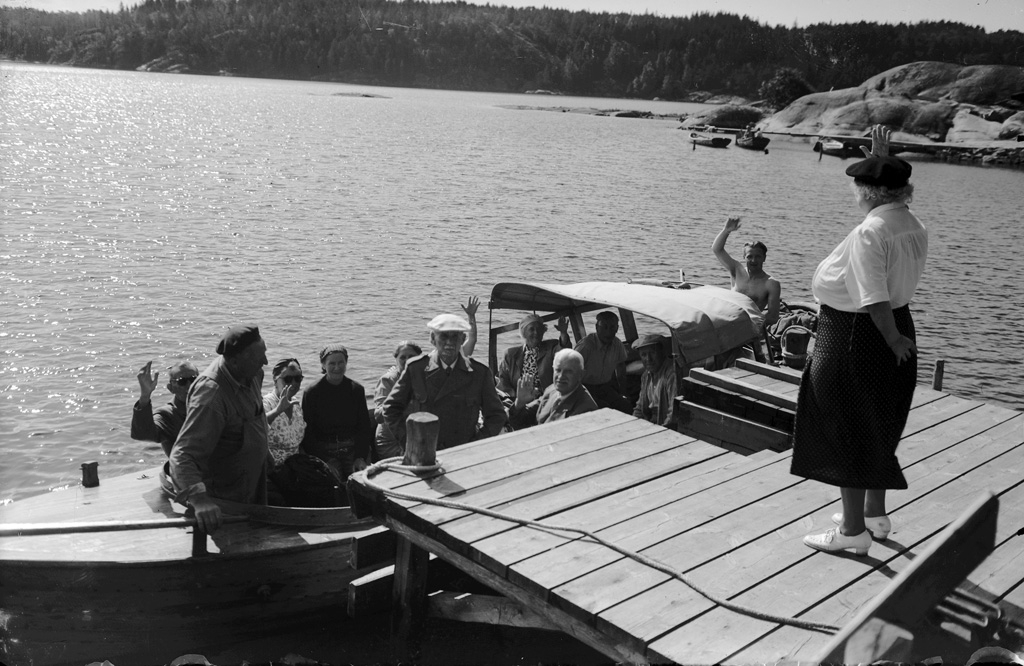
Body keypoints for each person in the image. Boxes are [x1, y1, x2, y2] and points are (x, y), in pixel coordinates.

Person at [792, 124, 928, 556]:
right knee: (877, 422)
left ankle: (852, 533)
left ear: (869, 192)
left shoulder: (871, 231)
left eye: (859, 185)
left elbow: (873, 297)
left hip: (857, 333)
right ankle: (874, 515)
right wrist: (881, 160)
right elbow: (885, 290)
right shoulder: (911, 223)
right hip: (894, 325)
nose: (854, 192)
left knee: (845, 425)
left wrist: (891, 339)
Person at [167, 325, 270, 533]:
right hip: (225, 499)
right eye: (259, 357)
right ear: (235, 361)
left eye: (264, 353)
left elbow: (253, 417)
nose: (265, 361)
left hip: (254, 485)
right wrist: (199, 500)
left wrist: (264, 453)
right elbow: (182, 455)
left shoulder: (253, 372)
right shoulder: (211, 395)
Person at [383, 313, 506, 450]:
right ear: (432, 339)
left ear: (463, 339)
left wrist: (476, 443)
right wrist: (410, 441)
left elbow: (496, 415)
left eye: (455, 337)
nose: (449, 342)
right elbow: (391, 409)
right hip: (425, 452)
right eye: (444, 336)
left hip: (465, 452)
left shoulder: (479, 372)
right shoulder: (416, 369)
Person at [300, 344, 373, 483]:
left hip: (352, 449)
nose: (337, 367)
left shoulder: (356, 390)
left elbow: (364, 427)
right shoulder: (312, 392)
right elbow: (308, 433)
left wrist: (360, 457)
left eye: (341, 363)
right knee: (332, 483)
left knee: (362, 483)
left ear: (346, 362)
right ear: (323, 365)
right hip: (325, 452)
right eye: (332, 363)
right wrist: (324, 461)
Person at [712, 216, 782, 327]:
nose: (753, 260)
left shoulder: (771, 283)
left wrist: (752, 324)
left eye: (758, 256)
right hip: (727, 319)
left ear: (764, 258)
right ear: (744, 257)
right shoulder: (736, 270)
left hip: (749, 327)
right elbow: (717, 249)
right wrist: (726, 231)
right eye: (750, 256)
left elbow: (773, 317)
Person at [509, 348, 598, 429]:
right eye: (558, 370)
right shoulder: (552, 390)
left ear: (581, 375)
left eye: (568, 371)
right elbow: (523, 420)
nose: (561, 376)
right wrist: (520, 403)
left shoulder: (585, 410)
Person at [131, 359, 198, 457]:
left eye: (193, 380)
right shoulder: (168, 415)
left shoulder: (211, 405)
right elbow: (143, 434)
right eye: (182, 381)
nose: (189, 386)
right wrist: (145, 396)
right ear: (171, 388)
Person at [496, 313, 570, 398]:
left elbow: (564, 352)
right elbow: (503, 381)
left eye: (539, 329)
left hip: (546, 399)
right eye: (532, 329)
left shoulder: (551, 347)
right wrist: (516, 398)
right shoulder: (510, 354)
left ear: (543, 331)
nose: (536, 332)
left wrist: (563, 333)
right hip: (518, 399)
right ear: (524, 332)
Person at [372, 341, 423, 459]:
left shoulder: (423, 377)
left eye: (411, 356)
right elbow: (378, 416)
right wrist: (399, 398)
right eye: (403, 357)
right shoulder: (388, 380)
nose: (407, 360)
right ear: (396, 360)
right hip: (392, 440)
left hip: (415, 435)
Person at [574, 310, 631, 413]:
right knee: (604, 408)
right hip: (584, 388)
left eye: (612, 327)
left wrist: (623, 392)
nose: (608, 332)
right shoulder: (586, 345)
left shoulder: (617, 344)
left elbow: (621, 366)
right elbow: (571, 369)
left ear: (617, 329)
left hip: (605, 387)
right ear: (597, 327)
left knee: (625, 405)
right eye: (604, 327)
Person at [263, 358, 305, 467]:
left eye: (298, 378)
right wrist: (277, 411)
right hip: (273, 467)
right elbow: (257, 425)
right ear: (275, 380)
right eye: (288, 379)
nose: (293, 383)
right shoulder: (266, 403)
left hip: (296, 466)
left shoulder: (296, 405)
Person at [631, 333, 677, 429]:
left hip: (665, 426)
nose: (648, 359)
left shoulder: (672, 375)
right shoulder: (646, 376)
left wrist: (661, 431)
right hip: (651, 422)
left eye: (652, 353)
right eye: (644, 355)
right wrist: (632, 426)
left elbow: (673, 414)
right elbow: (640, 407)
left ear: (662, 352)